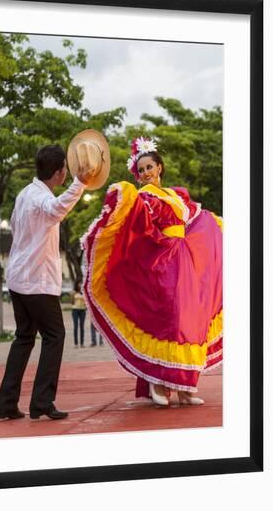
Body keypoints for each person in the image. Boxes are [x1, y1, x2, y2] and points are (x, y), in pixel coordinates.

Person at [81, 137, 223, 407]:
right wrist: (124, 194)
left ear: (159, 167)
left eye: (149, 167)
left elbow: (195, 219)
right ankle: (158, 383)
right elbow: (140, 222)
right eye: (141, 170)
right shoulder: (145, 197)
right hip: (162, 260)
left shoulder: (176, 194)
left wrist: (216, 228)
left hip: (186, 260)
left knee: (188, 322)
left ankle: (185, 388)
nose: (145, 173)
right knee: (168, 320)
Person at [0, 144, 93, 421]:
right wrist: (80, 183)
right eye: (66, 169)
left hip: (17, 278)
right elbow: (56, 208)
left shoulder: (26, 193)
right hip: (36, 281)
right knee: (54, 336)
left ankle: (6, 404)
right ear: (60, 172)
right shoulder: (41, 199)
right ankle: (42, 402)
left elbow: (18, 226)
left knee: (24, 338)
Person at [71, 281, 87, 348]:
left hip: (83, 310)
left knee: (82, 327)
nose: (80, 284)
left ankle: (82, 343)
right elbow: (71, 302)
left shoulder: (84, 292)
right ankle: (76, 343)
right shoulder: (73, 292)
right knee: (76, 326)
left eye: (81, 283)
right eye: (79, 283)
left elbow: (86, 301)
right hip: (75, 310)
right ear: (77, 284)